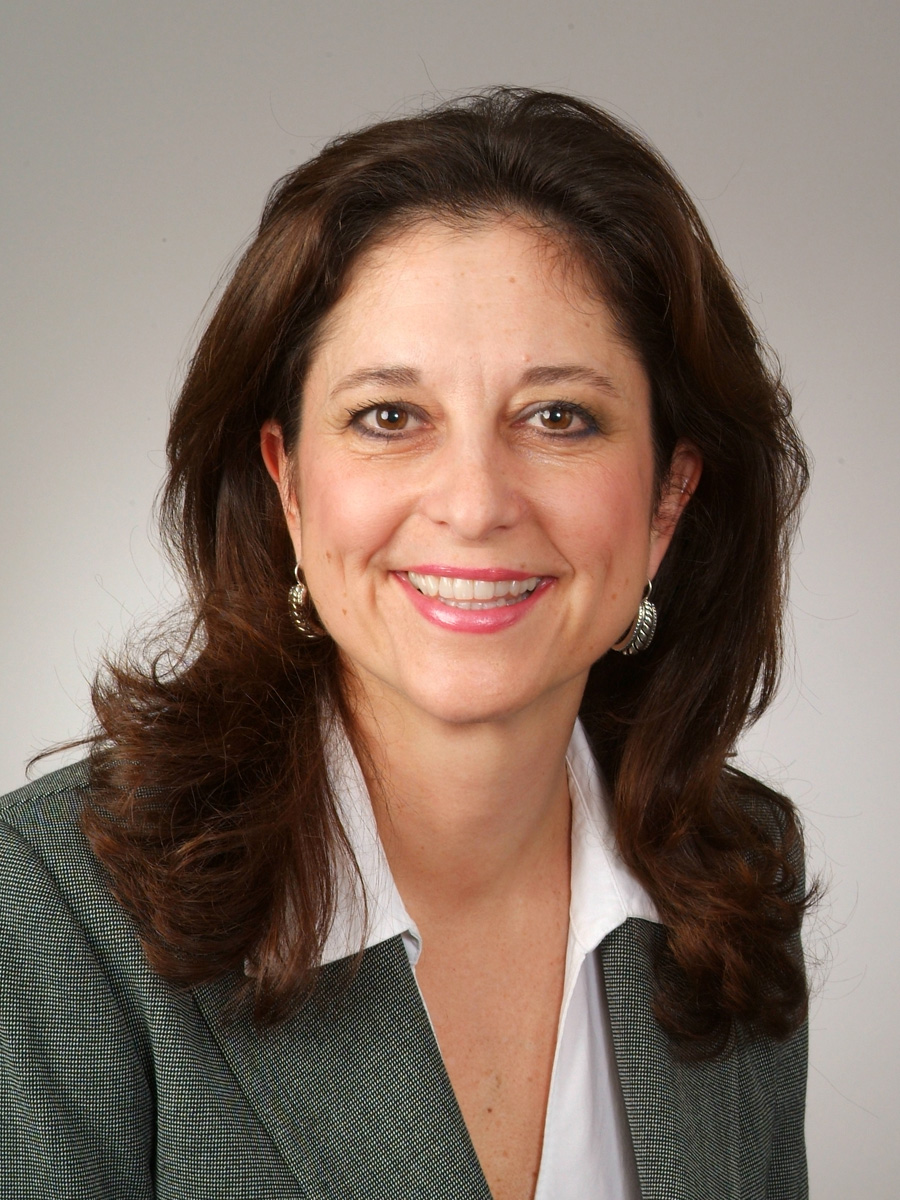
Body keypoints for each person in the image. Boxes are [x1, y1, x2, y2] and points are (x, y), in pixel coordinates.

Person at [0, 88, 812, 1199]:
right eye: (390, 417)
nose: (475, 504)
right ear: (289, 484)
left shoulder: (731, 878)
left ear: (668, 496)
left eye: (559, 416)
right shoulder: (49, 912)